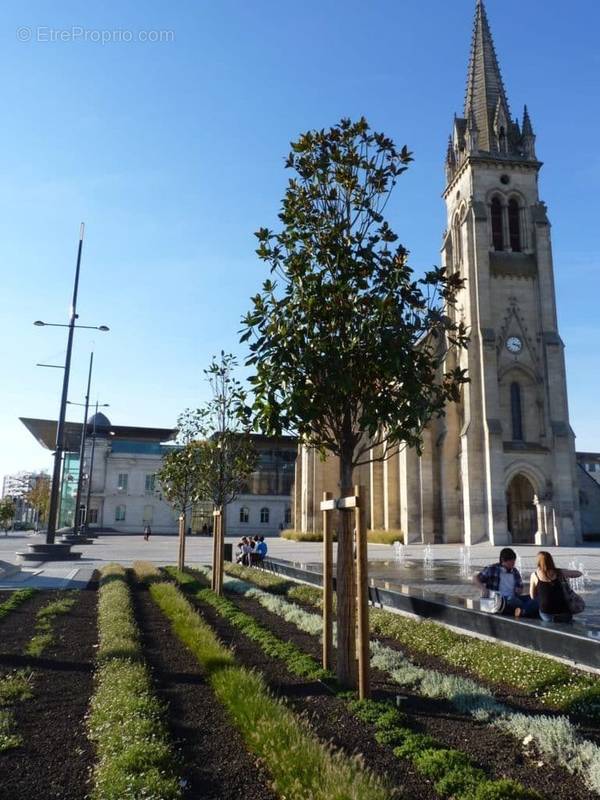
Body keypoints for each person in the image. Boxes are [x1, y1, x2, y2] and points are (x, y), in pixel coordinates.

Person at [474, 547, 537, 617]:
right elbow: (475, 578)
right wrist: (483, 589)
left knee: (533, 597)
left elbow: (520, 588)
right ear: (503, 560)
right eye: (511, 561)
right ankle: (524, 610)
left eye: (514, 561)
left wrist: (519, 590)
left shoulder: (514, 571)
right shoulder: (492, 569)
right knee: (513, 599)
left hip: (514, 598)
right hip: (499, 600)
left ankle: (523, 610)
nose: (513, 563)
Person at [530, 551, 583, 623]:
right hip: (565, 614)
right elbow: (579, 573)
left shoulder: (534, 575)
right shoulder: (559, 572)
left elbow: (532, 596)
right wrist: (565, 574)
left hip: (547, 615)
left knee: (536, 607)